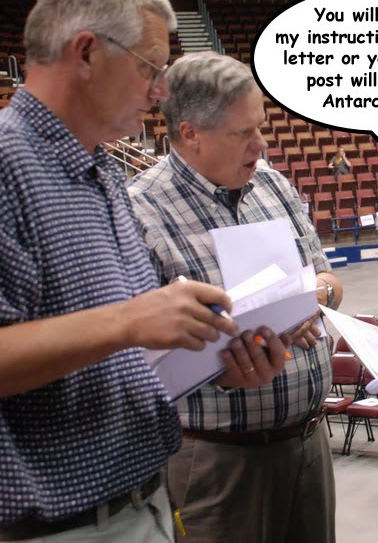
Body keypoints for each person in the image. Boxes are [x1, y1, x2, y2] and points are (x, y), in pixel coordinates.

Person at [0, 0, 268, 543]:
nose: (160, 93)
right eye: (150, 68)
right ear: (85, 52)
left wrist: (221, 366)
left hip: (142, 503)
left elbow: (112, 356)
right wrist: (131, 320)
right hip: (57, 527)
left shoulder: (102, 171)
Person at [128, 52, 344, 543]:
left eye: (261, 127)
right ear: (190, 134)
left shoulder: (273, 184)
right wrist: (221, 366)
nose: (260, 144)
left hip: (309, 444)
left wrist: (314, 298)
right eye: (242, 133)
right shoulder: (138, 210)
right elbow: (137, 360)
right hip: (214, 461)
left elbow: (328, 277)